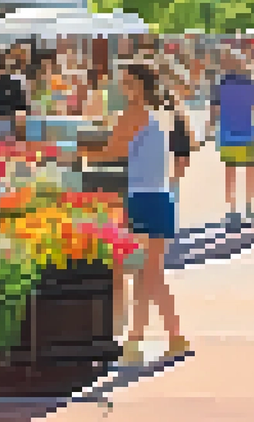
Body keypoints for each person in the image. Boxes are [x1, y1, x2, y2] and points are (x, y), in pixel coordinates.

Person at [91, 62, 190, 367]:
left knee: (141, 273)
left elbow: (112, 150)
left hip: (142, 199)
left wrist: (74, 152)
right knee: (152, 274)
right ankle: (171, 337)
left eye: (127, 82)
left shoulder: (135, 113)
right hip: (162, 198)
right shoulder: (164, 112)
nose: (123, 88)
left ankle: (136, 343)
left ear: (139, 85)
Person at [213, 50, 254, 230]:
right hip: (247, 132)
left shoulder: (221, 84)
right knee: (248, 172)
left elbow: (215, 109)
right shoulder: (250, 84)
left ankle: (233, 211)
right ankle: (249, 209)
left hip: (229, 133)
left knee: (230, 173)